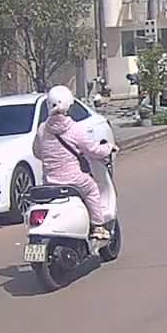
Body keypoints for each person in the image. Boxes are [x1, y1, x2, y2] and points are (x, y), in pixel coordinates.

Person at [33, 85, 116, 240]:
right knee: (92, 189)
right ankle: (98, 226)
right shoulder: (74, 128)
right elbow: (92, 150)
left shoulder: (42, 129)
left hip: (50, 181)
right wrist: (108, 148)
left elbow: (37, 152)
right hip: (74, 180)